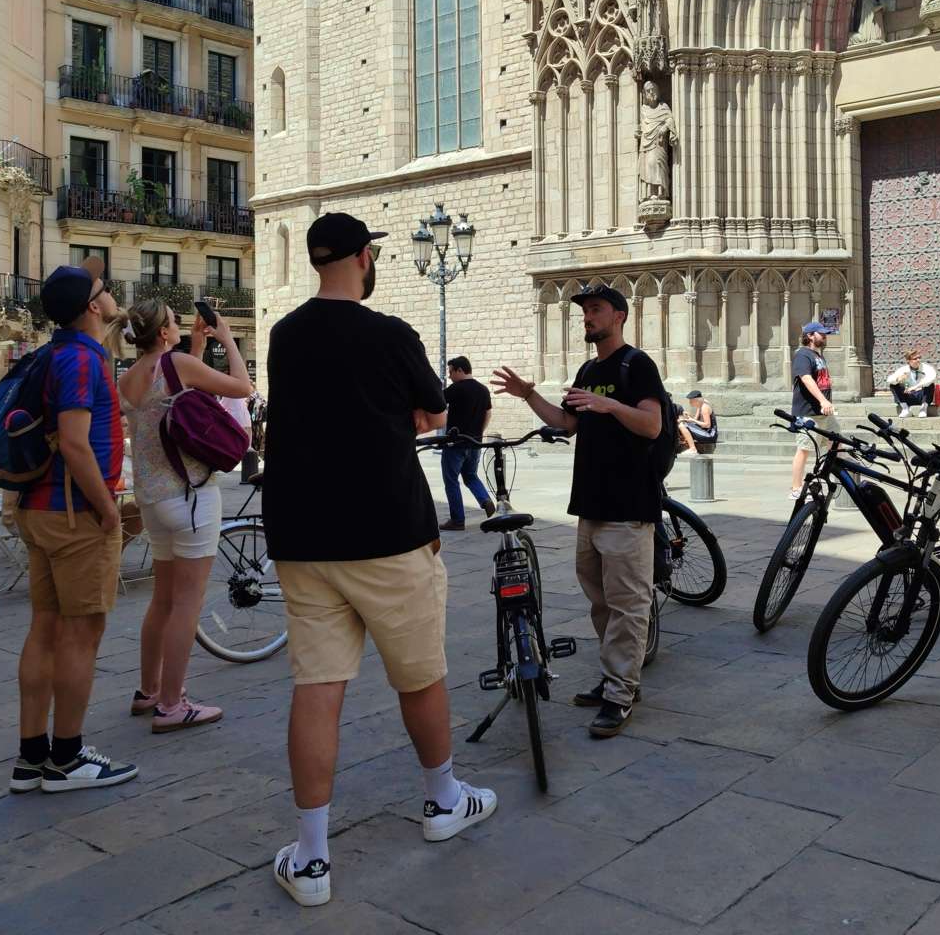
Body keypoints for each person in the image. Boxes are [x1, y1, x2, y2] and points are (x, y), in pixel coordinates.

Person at [262, 212, 496, 909]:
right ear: (366, 258)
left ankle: (310, 858)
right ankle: (444, 801)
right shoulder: (392, 334)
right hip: (389, 530)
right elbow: (431, 412)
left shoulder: (283, 334)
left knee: (318, 688)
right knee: (420, 678)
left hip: (303, 537)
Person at [493, 282, 665, 739]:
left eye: (595, 309)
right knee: (601, 603)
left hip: (628, 507)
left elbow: (652, 424)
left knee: (629, 606)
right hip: (591, 506)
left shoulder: (637, 364)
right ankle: (618, 680)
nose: (587, 317)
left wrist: (609, 404)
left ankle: (621, 695)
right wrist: (529, 394)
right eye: (584, 311)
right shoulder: (588, 368)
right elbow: (568, 423)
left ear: (619, 316)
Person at [10, 257, 137, 795]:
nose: (111, 295)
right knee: (81, 634)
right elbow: (74, 441)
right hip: (74, 512)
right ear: (91, 306)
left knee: (44, 628)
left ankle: (31, 757)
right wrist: (108, 510)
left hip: (39, 507)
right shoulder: (83, 361)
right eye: (105, 290)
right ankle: (67, 757)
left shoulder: (54, 353)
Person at [119, 298, 252, 732]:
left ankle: (149, 690)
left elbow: (177, 398)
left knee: (162, 599)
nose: (179, 325)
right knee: (186, 605)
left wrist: (194, 347)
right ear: (162, 333)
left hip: (153, 500)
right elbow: (242, 387)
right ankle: (173, 704)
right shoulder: (174, 363)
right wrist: (227, 339)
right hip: (190, 496)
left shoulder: (130, 377)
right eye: (174, 322)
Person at [439, 356, 494, 531]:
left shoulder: (455, 389)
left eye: (451, 372)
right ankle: (485, 501)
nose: (449, 376)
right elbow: (488, 414)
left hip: (455, 444)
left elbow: (437, 404)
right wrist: (478, 434)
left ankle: (457, 520)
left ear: (460, 370)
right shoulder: (483, 390)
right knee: (470, 476)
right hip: (475, 442)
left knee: (451, 480)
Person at [787, 322, 836, 499]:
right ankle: (796, 488)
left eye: (825, 334)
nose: (824, 336)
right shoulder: (802, 355)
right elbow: (806, 378)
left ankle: (825, 477)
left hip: (823, 413)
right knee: (804, 449)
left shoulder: (817, 356)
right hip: (807, 412)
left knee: (836, 443)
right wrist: (823, 400)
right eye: (821, 334)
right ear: (809, 336)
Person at [886, 350, 937, 417]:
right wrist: (898, 379)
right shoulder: (903, 369)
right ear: (908, 361)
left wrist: (915, 387)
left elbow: (931, 378)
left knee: (930, 385)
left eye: (919, 357)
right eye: (915, 359)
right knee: (893, 384)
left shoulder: (926, 368)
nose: (918, 360)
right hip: (908, 396)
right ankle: (905, 409)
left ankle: (923, 409)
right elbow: (889, 379)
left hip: (921, 395)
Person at [679, 389, 717, 454]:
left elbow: (707, 425)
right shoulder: (700, 406)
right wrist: (688, 419)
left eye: (691, 401)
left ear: (696, 400)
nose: (690, 403)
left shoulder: (704, 407)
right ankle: (687, 442)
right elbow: (695, 420)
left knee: (682, 425)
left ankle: (693, 449)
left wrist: (692, 420)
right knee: (682, 423)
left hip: (709, 435)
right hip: (705, 432)